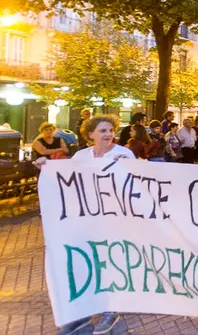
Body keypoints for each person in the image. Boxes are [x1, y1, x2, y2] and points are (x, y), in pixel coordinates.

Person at [54, 114, 132, 335]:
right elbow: (68, 179)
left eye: (110, 130)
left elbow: (134, 184)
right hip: (87, 218)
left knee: (111, 262)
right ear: (90, 135)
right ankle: (83, 311)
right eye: (103, 131)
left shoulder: (124, 154)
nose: (108, 134)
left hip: (116, 218)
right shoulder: (81, 155)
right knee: (87, 262)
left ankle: (111, 309)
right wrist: (46, 167)